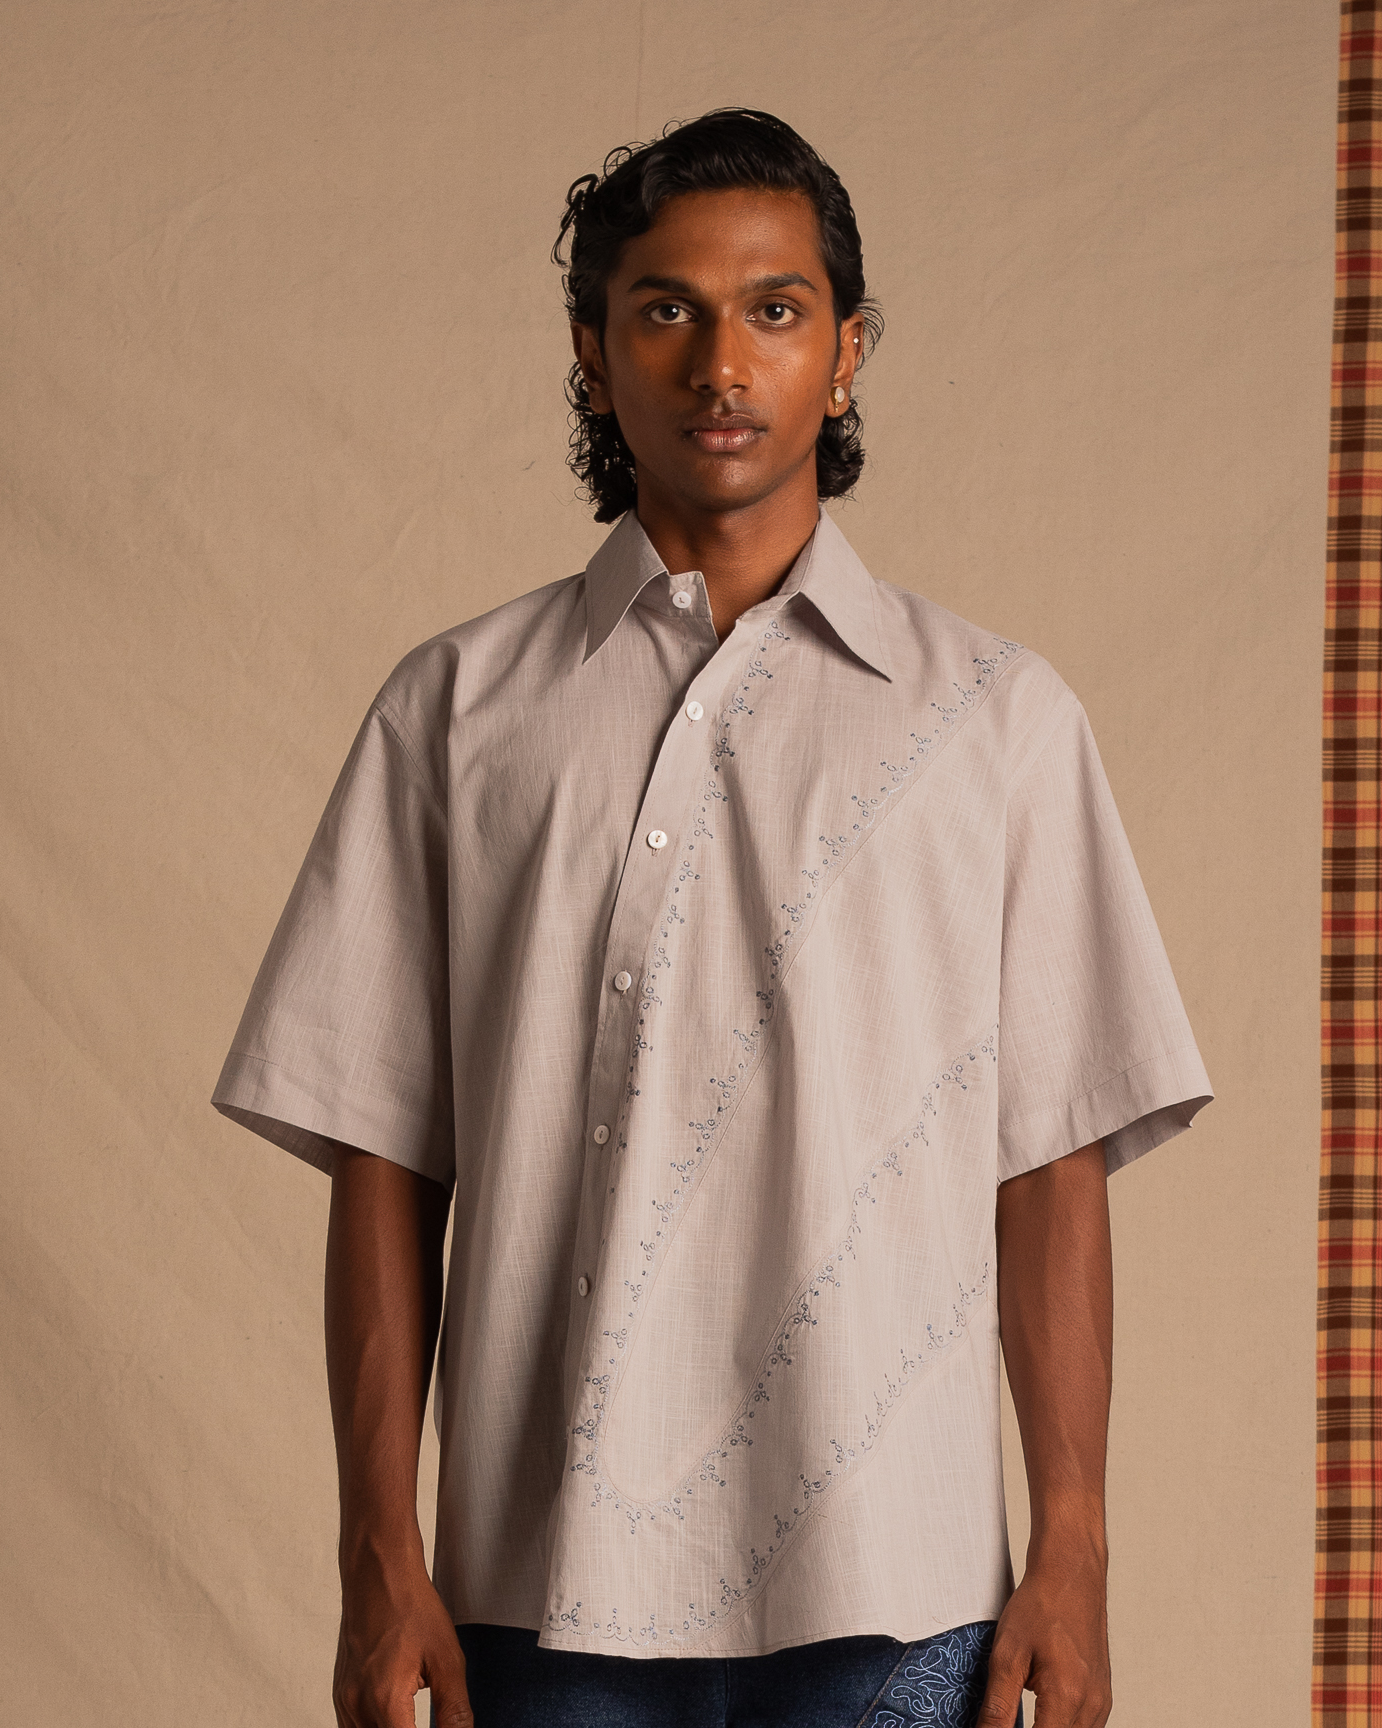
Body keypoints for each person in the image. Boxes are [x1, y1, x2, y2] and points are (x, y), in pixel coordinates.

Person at [212, 108, 1212, 1728]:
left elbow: (1053, 1158)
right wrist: (375, 1553)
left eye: (774, 308)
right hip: (533, 1588)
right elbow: (381, 1155)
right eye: (664, 308)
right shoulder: (456, 711)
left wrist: (1075, 1551)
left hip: (897, 1587)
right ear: (594, 358)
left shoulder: (995, 720)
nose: (720, 361)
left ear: (846, 348)